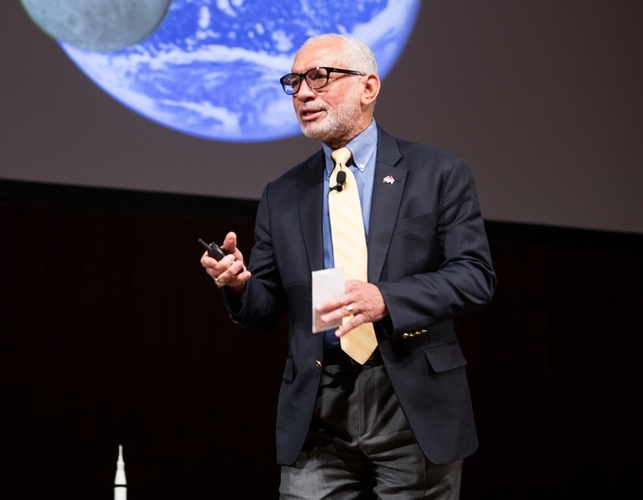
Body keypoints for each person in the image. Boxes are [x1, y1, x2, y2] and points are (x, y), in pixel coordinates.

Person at [200, 34, 496, 499]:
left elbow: (475, 276)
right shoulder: (282, 194)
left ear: (368, 87)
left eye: (319, 77)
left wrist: (386, 299)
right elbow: (263, 312)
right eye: (294, 82)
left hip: (410, 398)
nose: (302, 93)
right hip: (319, 405)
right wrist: (238, 285)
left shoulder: (437, 173)